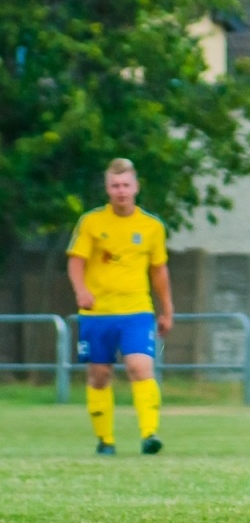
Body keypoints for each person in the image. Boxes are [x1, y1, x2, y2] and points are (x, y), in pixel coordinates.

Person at [66, 158, 173, 456]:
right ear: (107, 189)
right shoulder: (91, 222)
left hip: (136, 310)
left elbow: (159, 272)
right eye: (115, 186)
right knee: (99, 374)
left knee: (140, 367)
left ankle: (149, 434)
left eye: (126, 184)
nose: (121, 191)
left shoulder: (151, 226)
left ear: (136, 186)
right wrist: (81, 290)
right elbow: (76, 262)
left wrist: (167, 310)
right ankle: (105, 441)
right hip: (97, 313)